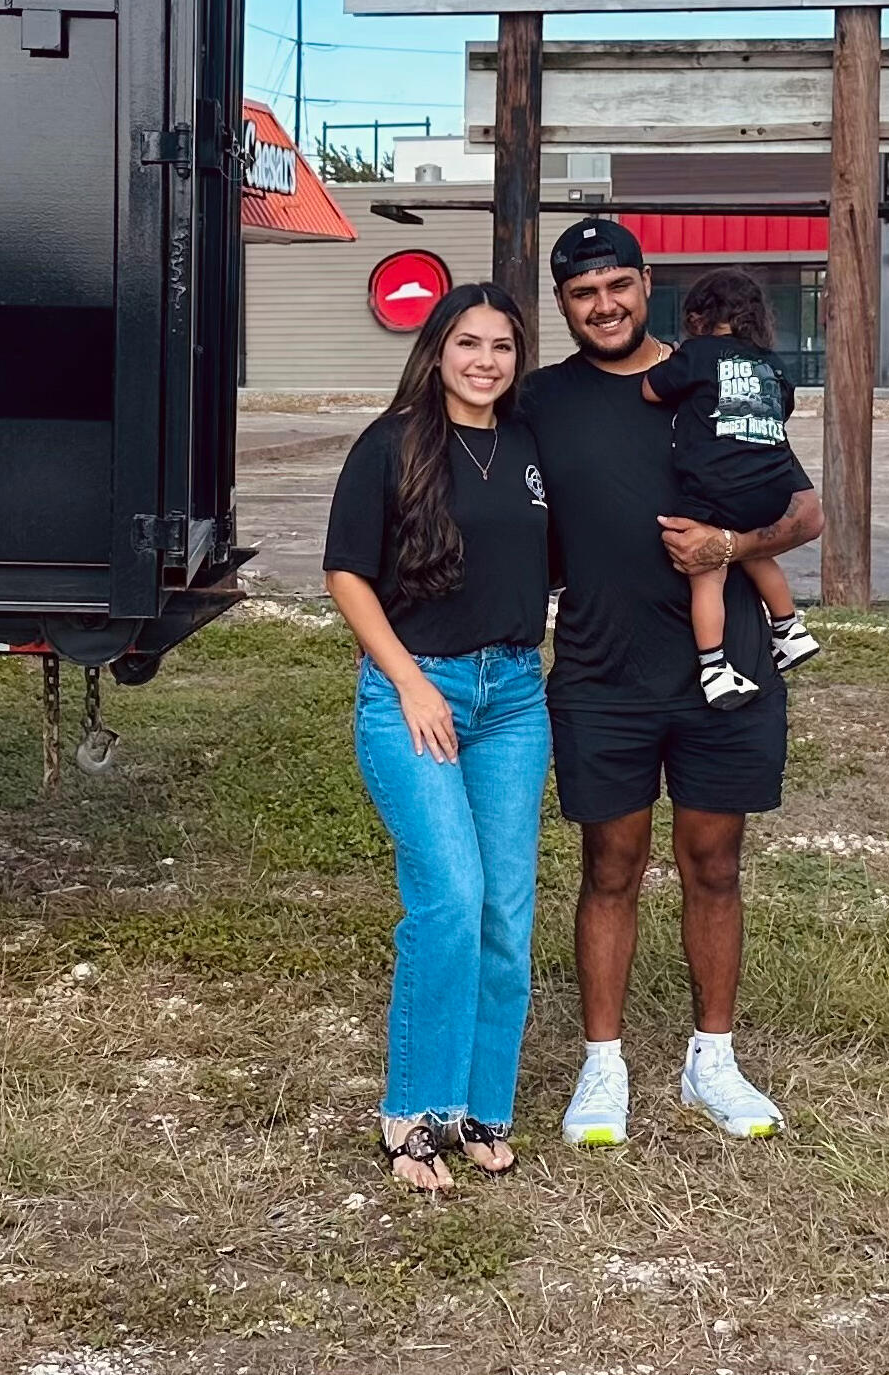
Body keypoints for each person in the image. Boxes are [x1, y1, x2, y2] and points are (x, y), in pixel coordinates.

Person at [518, 220, 824, 1146]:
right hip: (601, 673)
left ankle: (712, 1060)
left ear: (646, 285)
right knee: (608, 867)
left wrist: (730, 546)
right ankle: (601, 1064)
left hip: (721, 671)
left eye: (618, 285)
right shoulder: (539, 400)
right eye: (582, 292)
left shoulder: (717, 372)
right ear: (563, 304)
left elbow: (806, 509)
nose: (603, 304)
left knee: (714, 865)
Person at [323, 283, 551, 1193]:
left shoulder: (532, 448)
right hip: (418, 689)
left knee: (505, 910)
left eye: (501, 346)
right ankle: (413, 1111)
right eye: (467, 343)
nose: (485, 361)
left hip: (514, 700)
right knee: (451, 896)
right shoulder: (391, 443)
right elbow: (346, 573)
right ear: (437, 350)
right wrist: (412, 681)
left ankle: (481, 1106)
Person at [641, 268, 820, 710]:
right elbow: (786, 406)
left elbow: (650, 390)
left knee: (708, 570)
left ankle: (715, 668)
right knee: (755, 550)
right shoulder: (772, 363)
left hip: (715, 489)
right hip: (772, 486)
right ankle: (789, 628)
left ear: (699, 316)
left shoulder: (699, 354)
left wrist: (674, 362)